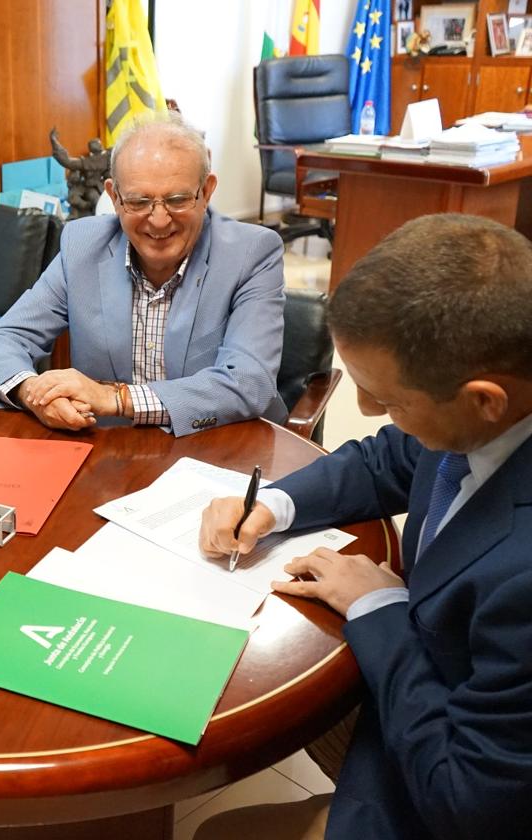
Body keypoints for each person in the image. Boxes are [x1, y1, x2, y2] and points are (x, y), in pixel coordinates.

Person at [196, 214, 532, 839]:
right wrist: (273, 506)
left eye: (392, 400)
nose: (372, 412)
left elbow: (467, 801)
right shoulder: (489, 408)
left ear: (485, 399)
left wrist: (379, 605)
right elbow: (390, 458)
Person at [0, 110, 286, 436]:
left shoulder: (252, 253)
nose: (160, 220)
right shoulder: (82, 245)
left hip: (215, 448)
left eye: (177, 200)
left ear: (206, 192)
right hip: (110, 456)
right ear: (114, 197)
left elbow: (249, 382)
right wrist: (33, 393)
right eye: (138, 202)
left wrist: (116, 399)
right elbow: (4, 340)